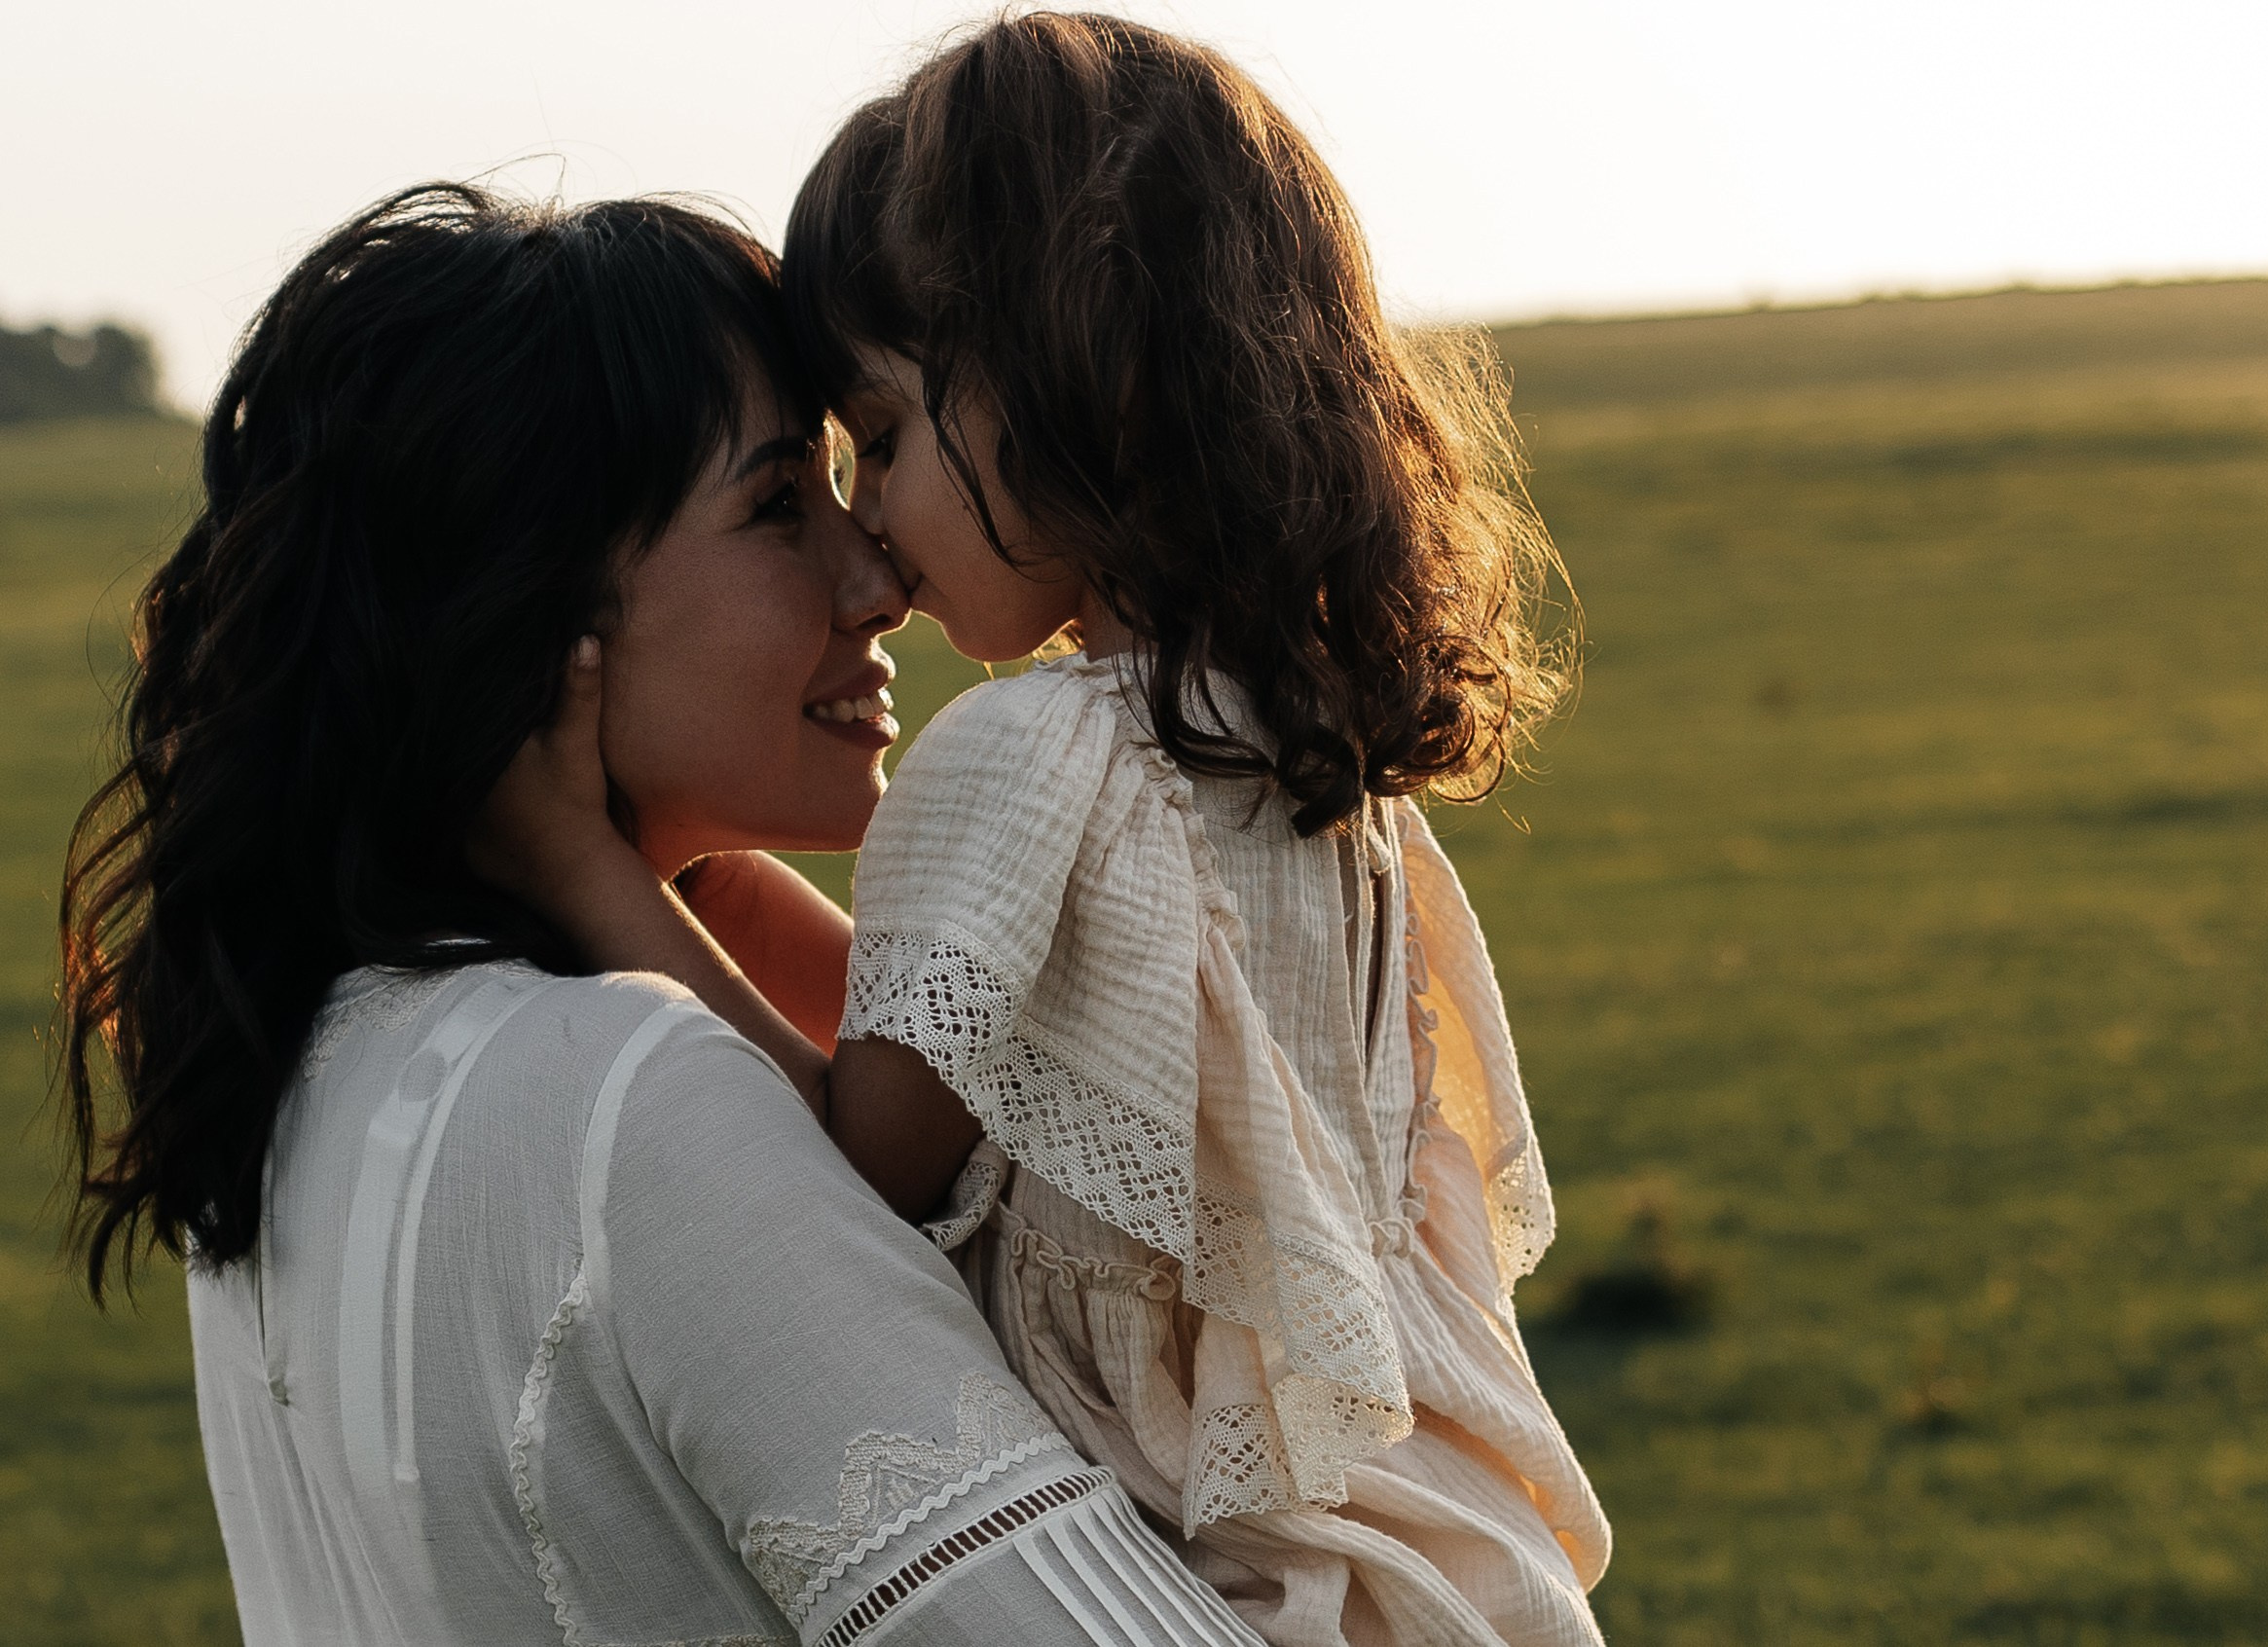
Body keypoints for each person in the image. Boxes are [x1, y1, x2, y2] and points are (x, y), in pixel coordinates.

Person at [485, 17, 1612, 1647]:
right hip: (1414, 1550)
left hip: (1218, 1570)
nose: (867, 524)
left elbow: (858, 1159)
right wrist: (713, 880)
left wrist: (598, 876)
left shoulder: (1025, 750)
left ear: (1070, 372)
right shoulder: (1291, 754)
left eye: (881, 435)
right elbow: (955, 1037)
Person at [56, 182, 1267, 1647]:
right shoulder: (636, 1095)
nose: (876, 576)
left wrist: (613, 854)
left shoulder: (294, 1074)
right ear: (531, 609)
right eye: (775, 503)